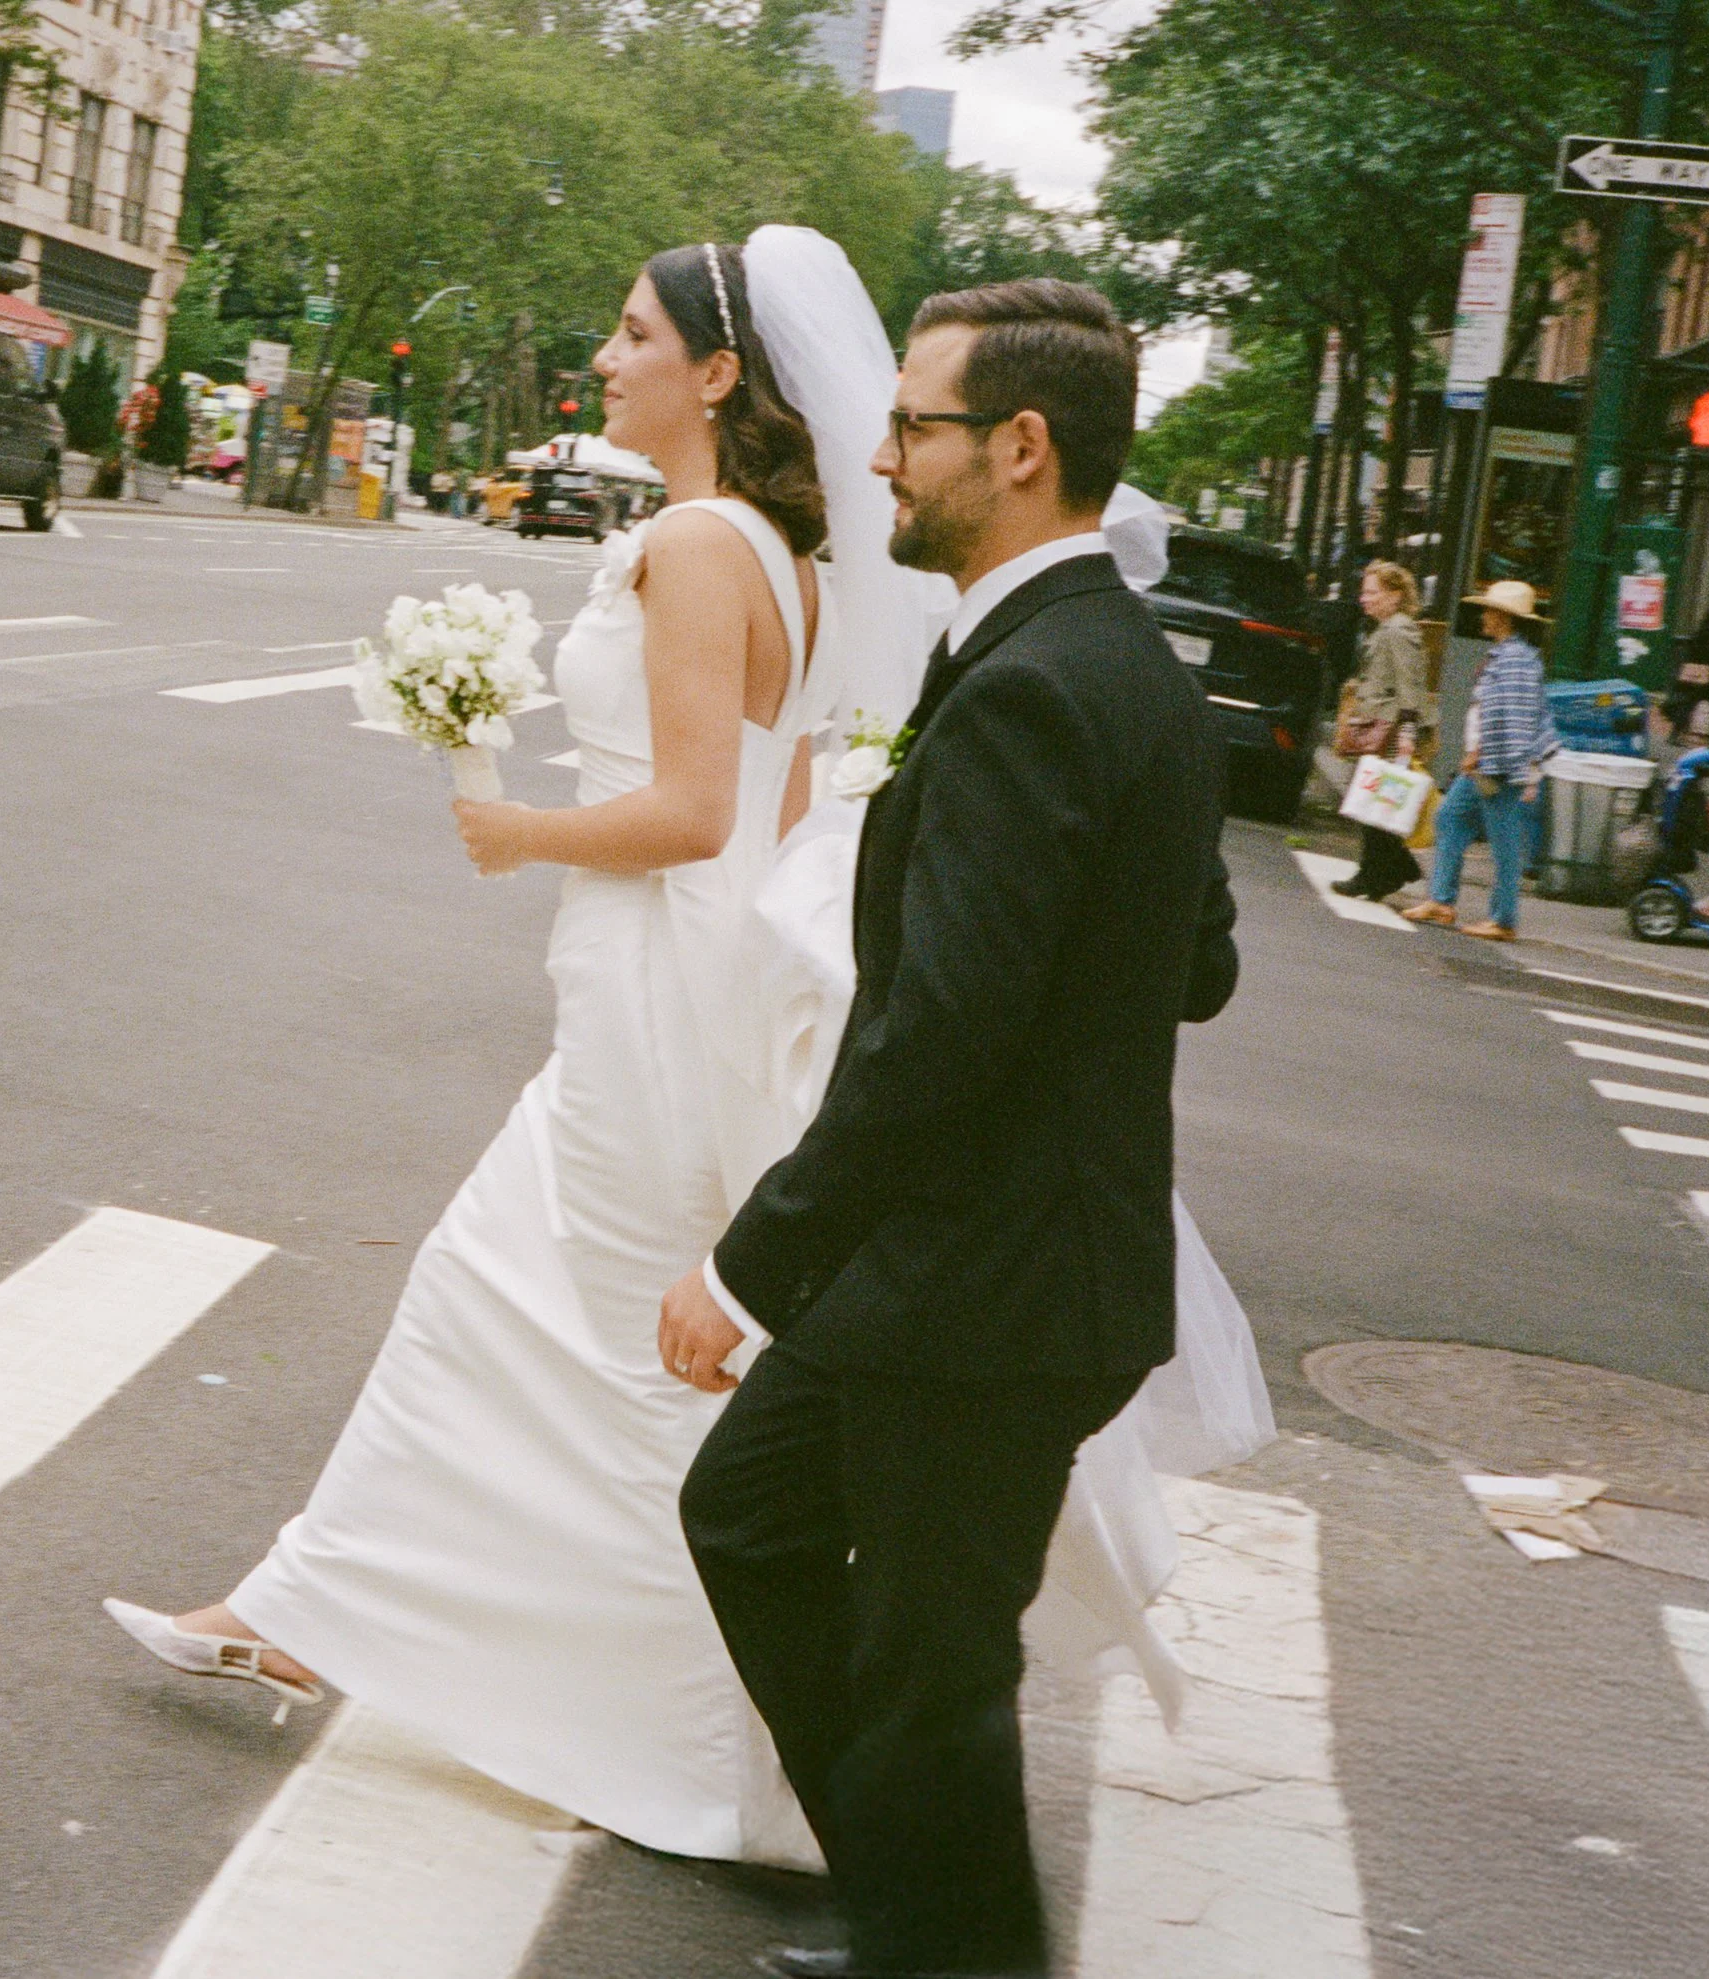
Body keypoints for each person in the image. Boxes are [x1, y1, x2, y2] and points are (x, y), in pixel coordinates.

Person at [103, 234, 1270, 1881]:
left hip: (748, 1054)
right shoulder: (1028, 637)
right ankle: (343, 1618)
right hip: (765, 1032)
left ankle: (805, 1823)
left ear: (721, 371)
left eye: (636, 330)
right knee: (604, 1375)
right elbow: (1157, 947)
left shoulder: (752, 562)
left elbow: (730, 833)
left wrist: (515, 825)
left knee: (593, 1353)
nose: (607, 352)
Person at [660, 277, 1242, 1979]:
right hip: (977, 1263)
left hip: (989, 1284)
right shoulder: (1121, 662)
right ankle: (920, 1903)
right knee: (752, 1520)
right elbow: (1195, 960)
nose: (884, 453)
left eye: (915, 426)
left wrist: (751, 1258)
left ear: (1021, 445)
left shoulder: (1036, 684)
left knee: (932, 1666)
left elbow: (941, 1041)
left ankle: (950, 1943)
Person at [1402, 580, 1560, 942]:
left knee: (1504, 843)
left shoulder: (1517, 660)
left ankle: (1504, 920)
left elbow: (1516, 720)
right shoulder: (1507, 654)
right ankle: (1441, 901)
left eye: (1489, 610)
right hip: (1486, 764)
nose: (1483, 616)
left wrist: (1481, 754)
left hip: (1498, 767)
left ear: (1504, 617)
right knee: (1450, 817)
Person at [1332, 560, 1431, 901]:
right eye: (1364, 592)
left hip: (1387, 731)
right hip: (1380, 726)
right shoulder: (1388, 628)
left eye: (1372, 592)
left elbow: (1410, 684)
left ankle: (1377, 873)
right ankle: (1388, 871)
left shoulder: (1398, 631)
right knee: (1375, 804)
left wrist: (1407, 732)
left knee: (1376, 804)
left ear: (1395, 595)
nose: (1364, 599)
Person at [1663, 600, 1709, 743]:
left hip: (1703, 676)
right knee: (1707, 707)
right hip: (1708, 676)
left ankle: (1677, 735)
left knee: (1692, 705)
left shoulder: (1708, 628)